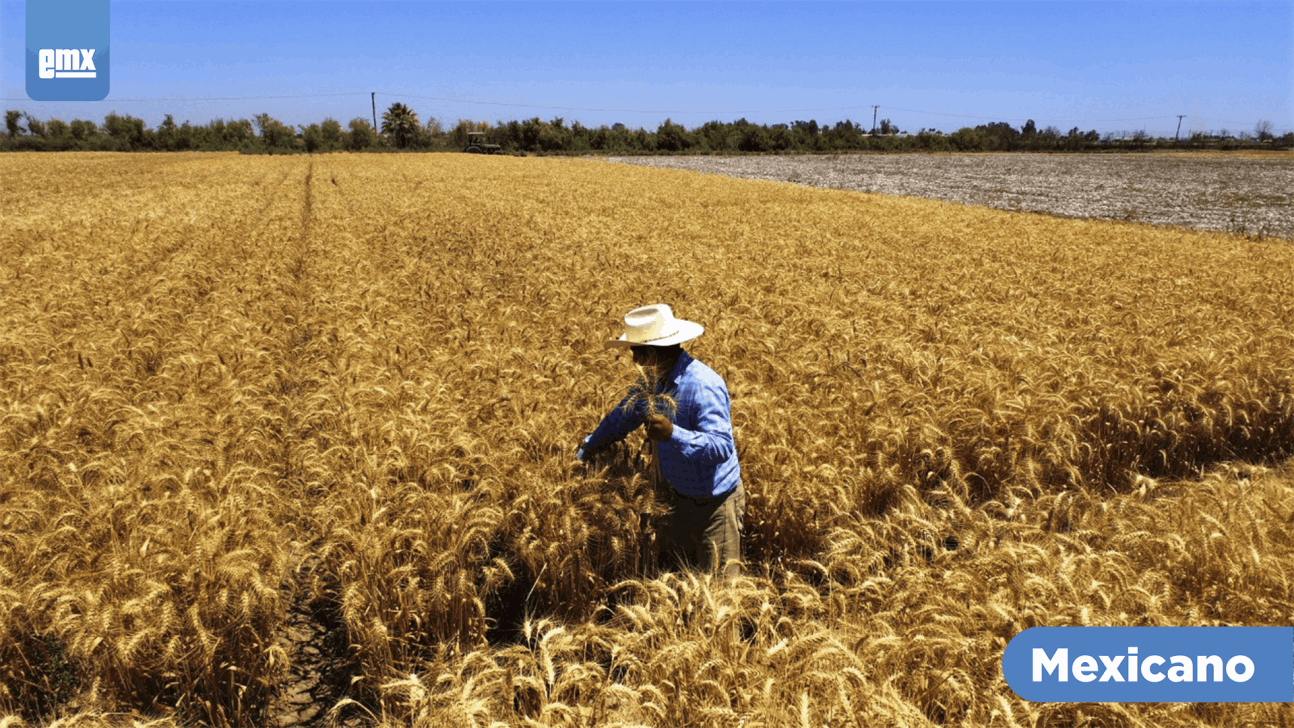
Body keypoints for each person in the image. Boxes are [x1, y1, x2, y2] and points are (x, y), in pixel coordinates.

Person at [577, 304, 745, 578]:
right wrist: (587, 448)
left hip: (716, 506)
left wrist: (672, 434)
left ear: (651, 353)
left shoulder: (702, 384)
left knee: (721, 595)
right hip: (676, 501)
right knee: (682, 586)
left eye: (636, 353)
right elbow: (620, 419)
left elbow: (722, 446)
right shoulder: (650, 385)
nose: (634, 361)